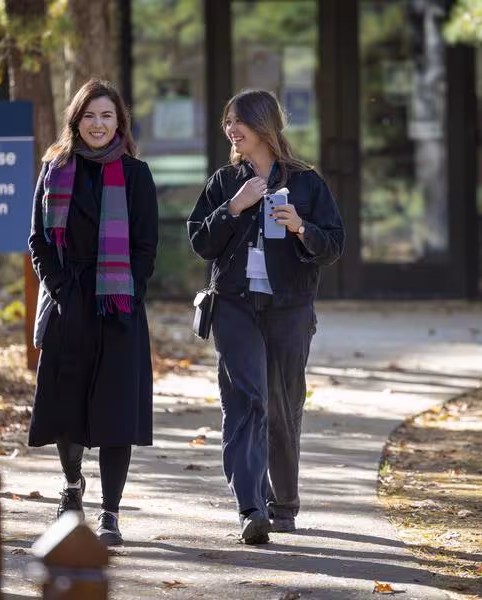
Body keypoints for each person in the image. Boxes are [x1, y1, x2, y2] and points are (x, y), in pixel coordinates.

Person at [187, 89, 344, 545]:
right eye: (228, 122)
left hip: (289, 308)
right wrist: (234, 207)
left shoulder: (307, 182)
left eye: (239, 121)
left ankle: (283, 505)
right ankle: (251, 507)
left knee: (282, 403)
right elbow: (199, 241)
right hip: (234, 305)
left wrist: (300, 228)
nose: (231, 130)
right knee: (246, 400)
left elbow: (333, 245)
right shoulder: (223, 182)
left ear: (265, 126)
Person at [28, 78, 158, 547]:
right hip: (69, 301)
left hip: (119, 304)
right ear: (76, 121)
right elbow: (37, 240)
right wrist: (60, 287)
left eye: (107, 116)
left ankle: (111, 512)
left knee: (115, 410)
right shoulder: (55, 168)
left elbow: (146, 246)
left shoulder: (136, 174)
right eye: (89, 116)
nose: (98, 124)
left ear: (119, 122)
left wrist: (128, 293)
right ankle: (71, 485)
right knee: (68, 405)